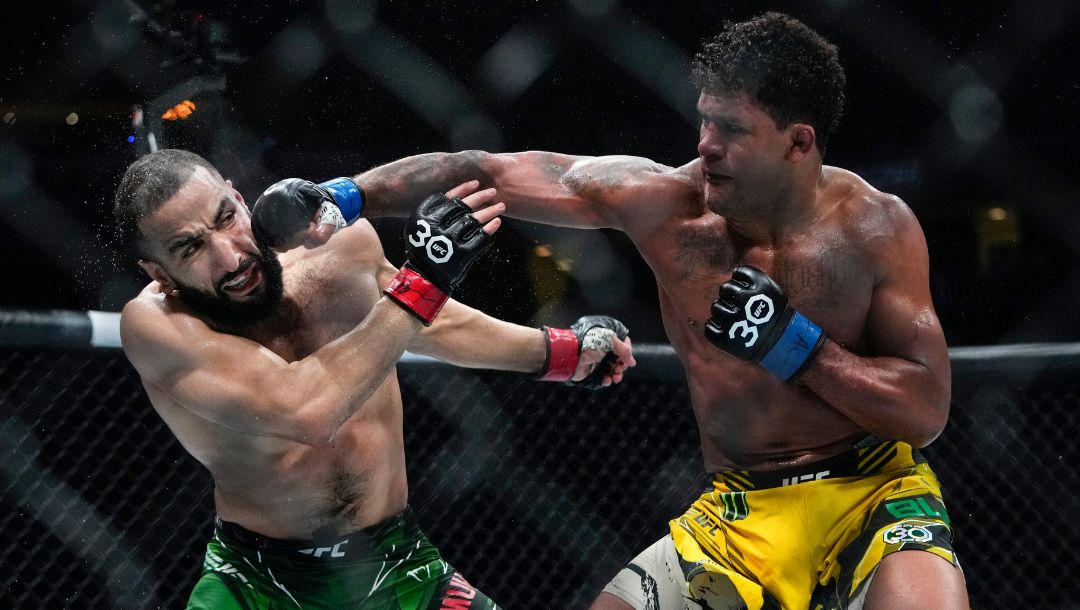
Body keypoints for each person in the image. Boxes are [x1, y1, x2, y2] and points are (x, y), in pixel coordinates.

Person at [253, 11, 970, 610]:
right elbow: (491, 168)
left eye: (731, 130)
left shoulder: (876, 229)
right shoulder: (663, 205)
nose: (705, 146)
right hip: (740, 512)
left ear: (798, 141)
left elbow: (926, 410)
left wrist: (799, 347)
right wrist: (342, 194)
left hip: (873, 492)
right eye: (704, 122)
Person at [112, 148, 635, 609]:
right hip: (258, 585)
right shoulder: (157, 326)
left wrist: (563, 353)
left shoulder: (330, 243)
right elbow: (304, 408)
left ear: (238, 196)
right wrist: (425, 279)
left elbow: (431, 323)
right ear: (158, 273)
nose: (229, 256)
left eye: (226, 218)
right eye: (189, 248)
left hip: (398, 564)